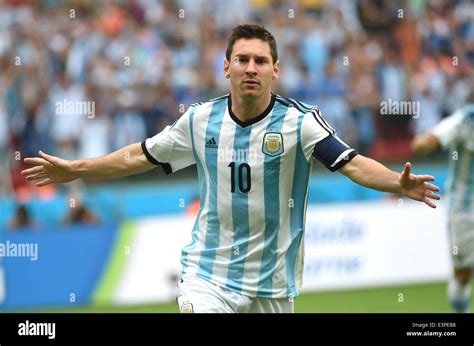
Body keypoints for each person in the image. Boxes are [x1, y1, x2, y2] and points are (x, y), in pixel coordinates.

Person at [22, 24, 440, 313]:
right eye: (242, 59)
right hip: (209, 275)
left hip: (272, 285)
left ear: (276, 69)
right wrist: (75, 168)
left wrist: (396, 184)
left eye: (260, 60)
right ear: (226, 67)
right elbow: (138, 156)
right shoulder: (199, 120)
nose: (251, 68)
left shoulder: (300, 122)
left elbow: (350, 163)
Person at [412, 91, 474, 313]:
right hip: (464, 211)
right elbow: (424, 142)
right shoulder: (465, 120)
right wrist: (427, 142)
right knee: (463, 274)